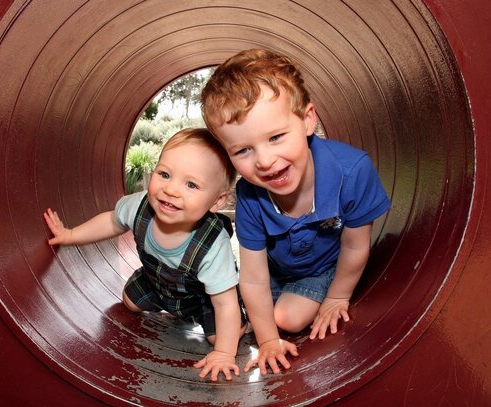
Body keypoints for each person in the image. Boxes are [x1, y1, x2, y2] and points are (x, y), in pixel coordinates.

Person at [200, 49, 390, 375]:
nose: (263, 160)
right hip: (277, 270)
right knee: (228, 317)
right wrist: (268, 341)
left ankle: (314, 294)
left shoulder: (352, 171)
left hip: (323, 267)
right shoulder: (250, 194)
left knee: (286, 317)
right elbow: (255, 277)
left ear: (307, 120)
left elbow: (356, 245)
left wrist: (337, 297)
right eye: (243, 150)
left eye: (275, 137)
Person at [44, 128, 247, 381]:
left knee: (219, 335)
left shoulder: (212, 245)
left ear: (217, 202)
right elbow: (110, 221)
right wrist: (70, 235)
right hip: (157, 282)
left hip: (203, 297)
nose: (171, 190)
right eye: (164, 174)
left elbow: (223, 303)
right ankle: (166, 303)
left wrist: (225, 353)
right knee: (128, 302)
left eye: (191, 184)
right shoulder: (140, 205)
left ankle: (243, 319)